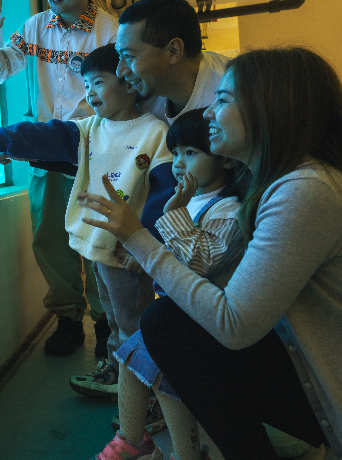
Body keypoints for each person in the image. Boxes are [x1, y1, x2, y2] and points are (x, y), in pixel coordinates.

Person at [78, 48, 342, 460]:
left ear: (270, 108)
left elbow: (233, 322)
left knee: (166, 323)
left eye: (222, 101)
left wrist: (138, 238)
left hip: (332, 386)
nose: (208, 115)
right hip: (301, 362)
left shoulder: (304, 190)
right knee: (164, 325)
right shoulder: (281, 184)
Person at [0, 45, 176, 410]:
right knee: (114, 318)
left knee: (134, 322)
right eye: (86, 84)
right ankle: (121, 376)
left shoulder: (154, 133)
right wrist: (1, 139)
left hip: (127, 252)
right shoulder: (91, 128)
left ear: (130, 83)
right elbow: (49, 136)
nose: (89, 93)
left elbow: (163, 194)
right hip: (97, 247)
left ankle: (148, 393)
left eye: (99, 82)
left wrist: (148, 245)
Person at [0, 0, 118, 359]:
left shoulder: (110, 32)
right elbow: (0, 69)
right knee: (51, 236)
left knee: (97, 236)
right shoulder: (37, 26)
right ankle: (67, 318)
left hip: (95, 149)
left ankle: (106, 323)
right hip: (44, 148)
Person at [94, 109, 241, 460]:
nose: (178, 162)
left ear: (228, 160)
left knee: (161, 369)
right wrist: (146, 253)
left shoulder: (229, 209)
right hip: (179, 312)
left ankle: (187, 454)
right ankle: (132, 441)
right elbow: (174, 251)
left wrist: (174, 211)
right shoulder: (194, 201)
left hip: (207, 318)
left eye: (191, 153)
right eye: (175, 153)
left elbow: (201, 262)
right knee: (132, 356)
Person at [114, 0, 229, 125]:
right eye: (120, 56)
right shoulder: (136, 99)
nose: (120, 71)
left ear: (174, 51)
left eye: (129, 56)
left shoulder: (237, 93)